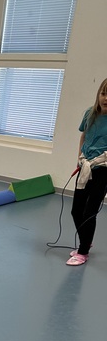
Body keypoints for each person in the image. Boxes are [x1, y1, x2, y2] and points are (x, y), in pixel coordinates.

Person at [67, 78, 107, 266]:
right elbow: (84, 136)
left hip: (103, 170)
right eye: (103, 93)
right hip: (85, 167)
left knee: (90, 211)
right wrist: (79, 158)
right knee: (76, 210)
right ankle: (86, 241)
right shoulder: (90, 114)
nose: (106, 98)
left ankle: (83, 252)